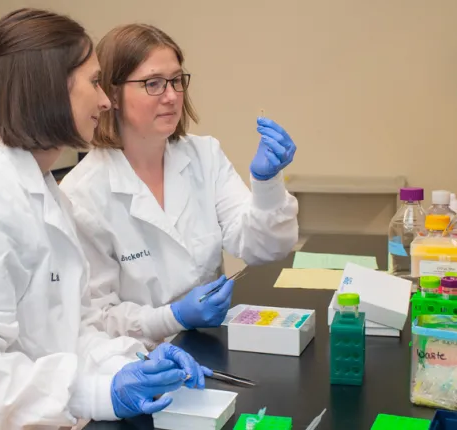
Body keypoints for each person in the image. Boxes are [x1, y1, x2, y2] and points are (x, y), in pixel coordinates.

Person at [0, 10, 210, 430]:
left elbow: (71, 328)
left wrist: (133, 359)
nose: (105, 102)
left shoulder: (46, 193)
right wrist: (99, 392)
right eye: (94, 83)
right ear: (48, 90)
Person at [60, 24, 299, 348]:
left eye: (176, 80)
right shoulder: (83, 193)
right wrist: (173, 317)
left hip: (210, 345)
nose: (171, 96)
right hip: (140, 360)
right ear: (112, 95)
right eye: (153, 83)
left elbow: (264, 248)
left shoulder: (204, 155)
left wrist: (267, 185)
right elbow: (98, 317)